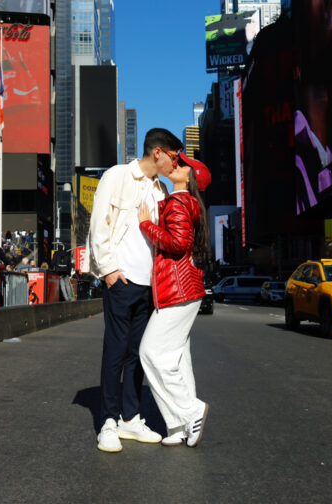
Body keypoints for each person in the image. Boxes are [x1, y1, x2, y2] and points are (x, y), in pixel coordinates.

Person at [82, 128, 183, 453]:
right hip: (122, 281)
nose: (175, 162)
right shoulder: (118, 176)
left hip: (148, 284)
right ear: (158, 152)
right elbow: (100, 223)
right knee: (115, 349)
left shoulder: (160, 190)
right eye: (173, 156)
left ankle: (130, 417)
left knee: (137, 353)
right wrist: (108, 270)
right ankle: (108, 422)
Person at [137, 152, 212, 448]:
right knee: (177, 359)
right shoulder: (185, 203)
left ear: (190, 178)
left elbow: (178, 244)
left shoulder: (180, 202)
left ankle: (191, 410)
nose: (177, 165)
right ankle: (180, 426)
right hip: (184, 289)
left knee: (150, 352)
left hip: (177, 289)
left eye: (182, 166)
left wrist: (147, 225)